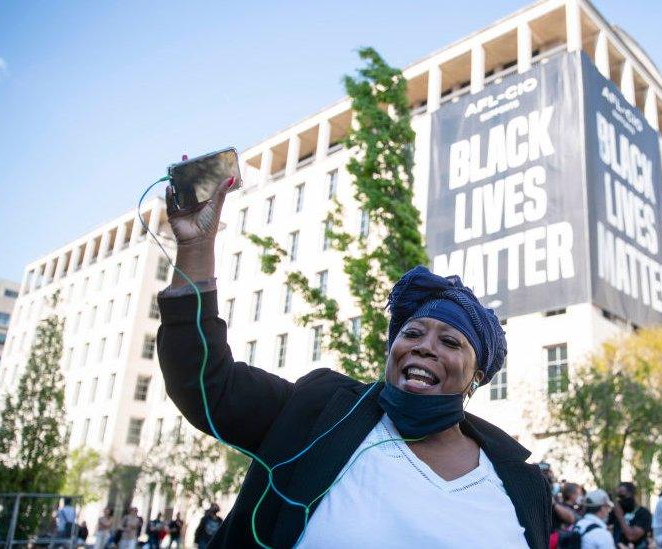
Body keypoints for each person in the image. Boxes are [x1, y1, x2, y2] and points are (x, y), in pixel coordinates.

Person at [157, 173, 550, 547]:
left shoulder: (521, 482)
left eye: (449, 340)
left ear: (476, 377)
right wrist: (195, 247)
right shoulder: (320, 411)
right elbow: (206, 384)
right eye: (411, 333)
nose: (423, 346)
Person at [609, 482, 652, 549]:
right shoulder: (615, 511)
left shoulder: (643, 513)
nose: (621, 500)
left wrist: (620, 516)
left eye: (623, 496)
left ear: (633, 494)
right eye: (619, 497)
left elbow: (632, 536)